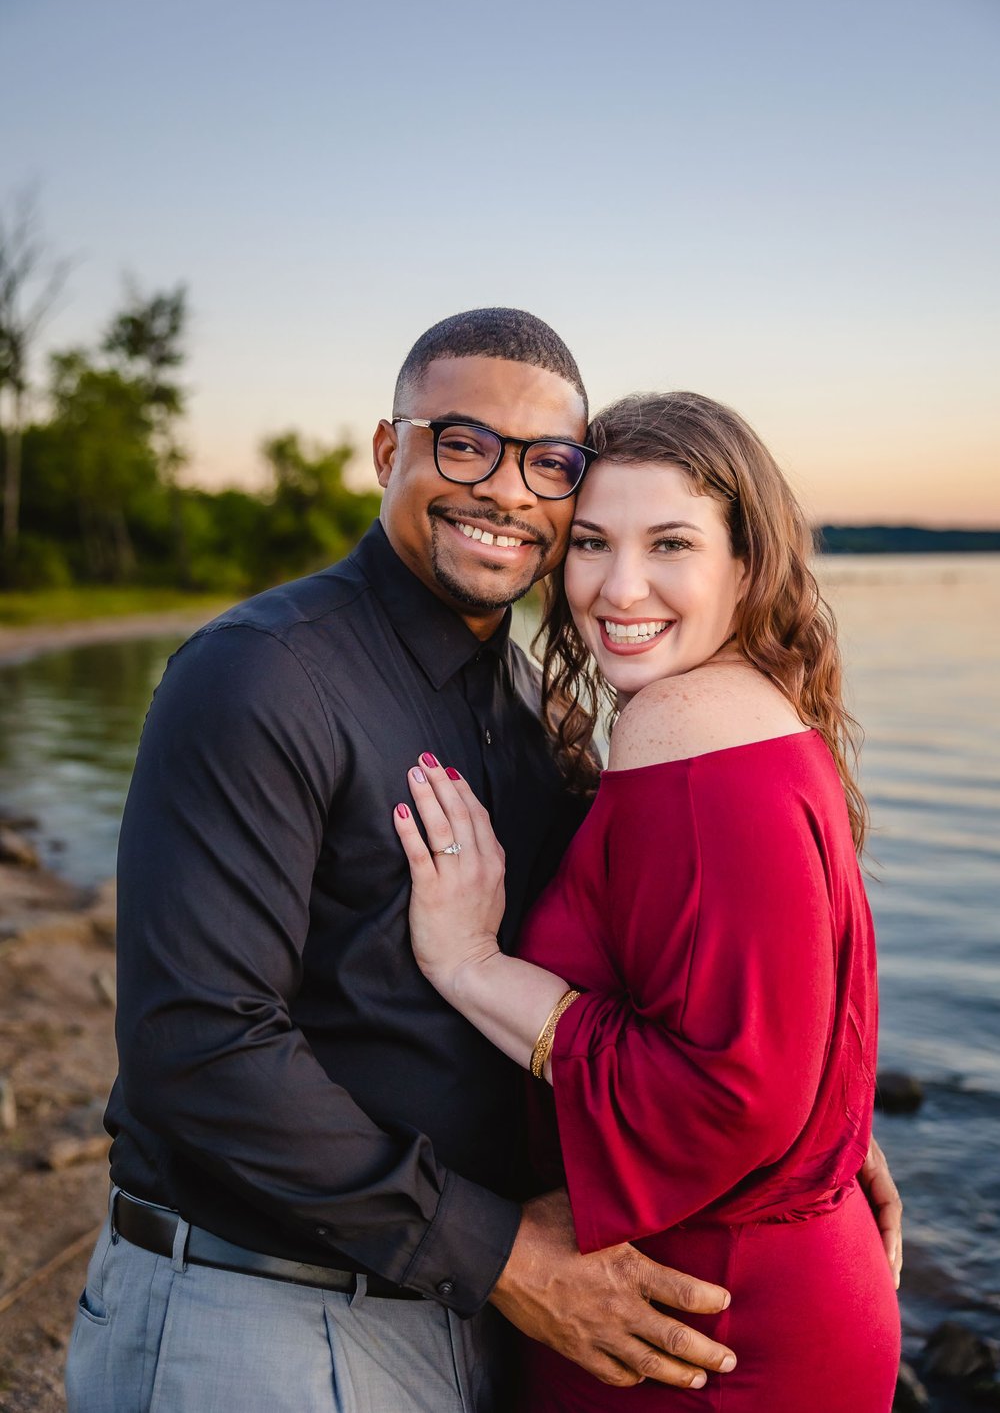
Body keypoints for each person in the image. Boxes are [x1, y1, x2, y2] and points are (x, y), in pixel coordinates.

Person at [66, 313, 750, 1413]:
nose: (509, 492)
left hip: (456, 1317)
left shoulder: (531, 706)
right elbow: (196, 1043)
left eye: (549, 464)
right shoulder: (259, 678)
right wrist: (507, 1258)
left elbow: (628, 970)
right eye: (464, 442)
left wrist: (818, 1127)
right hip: (253, 1318)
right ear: (390, 453)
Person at [393, 390, 902, 1410]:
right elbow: (776, 1007)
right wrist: (840, 1130)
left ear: (745, 562)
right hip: (744, 1283)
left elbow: (728, 1091)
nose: (618, 589)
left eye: (669, 543)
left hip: (701, 1324)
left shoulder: (682, 717)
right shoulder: (754, 707)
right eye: (589, 544)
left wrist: (470, 967)